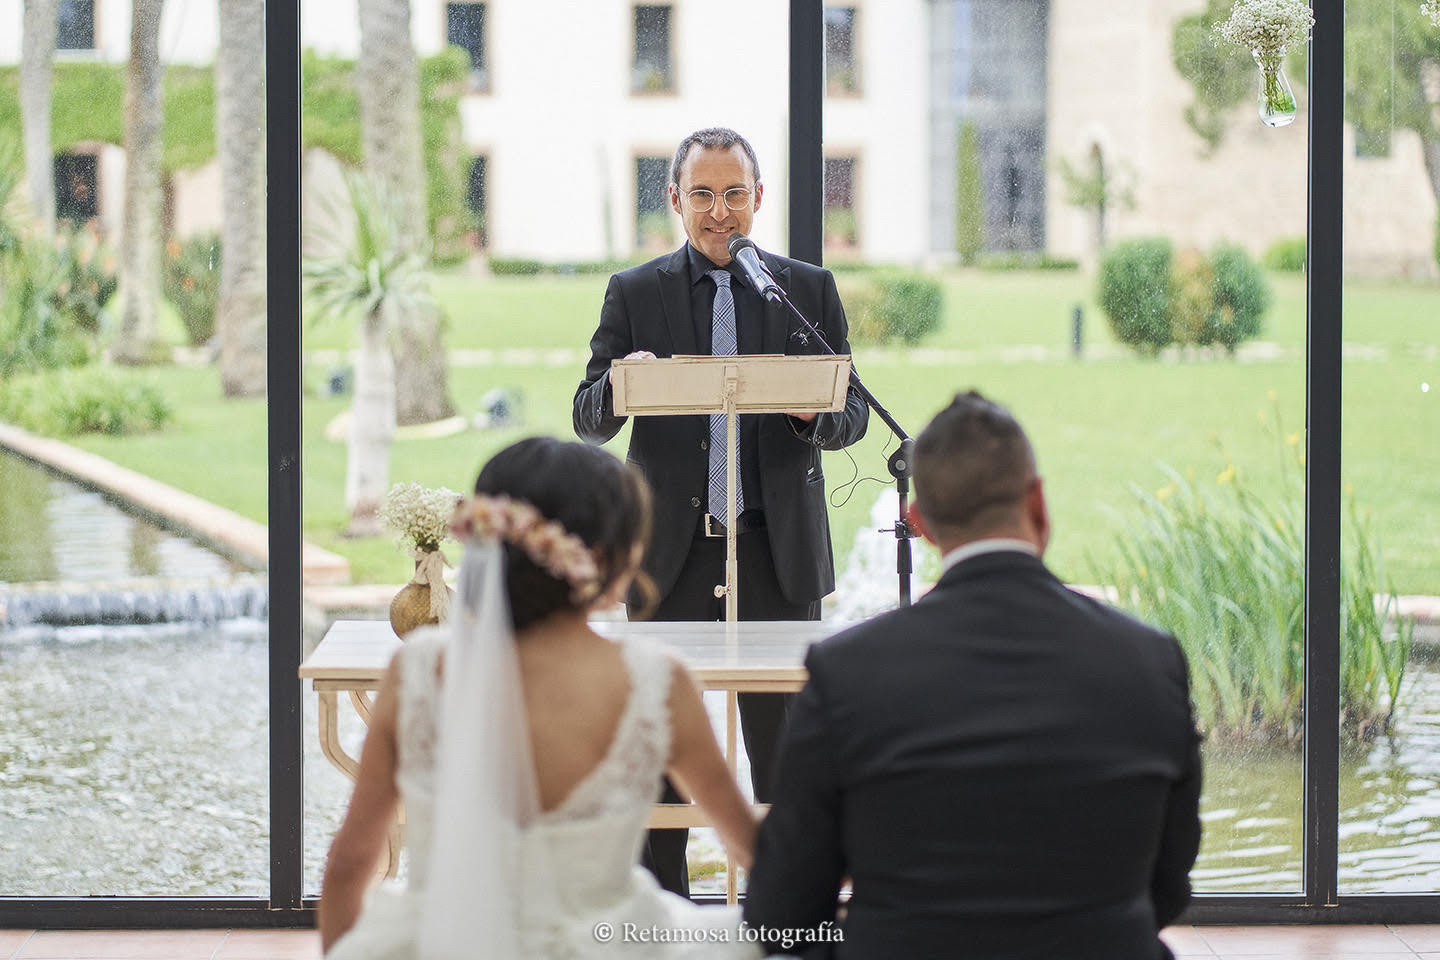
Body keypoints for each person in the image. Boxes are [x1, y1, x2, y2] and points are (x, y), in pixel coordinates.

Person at [744, 391, 1203, 959]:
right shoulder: (1150, 660)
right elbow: (1167, 890)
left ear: (919, 524)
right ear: (1037, 505)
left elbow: (781, 913)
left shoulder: (845, 673)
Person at [319, 437, 763, 959]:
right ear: (606, 559)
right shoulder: (656, 682)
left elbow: (352, 862)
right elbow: (748, 844)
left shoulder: (418, 671)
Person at [573, 127, 869, 897]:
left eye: (734, 193)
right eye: (701, 194)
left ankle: (787, 920)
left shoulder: (805, 290)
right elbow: (588, 417)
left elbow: (852, 415)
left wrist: (812, 415)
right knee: (664, 758)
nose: (719, 212)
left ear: (758, 198)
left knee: (787, 764)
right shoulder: (634, 293)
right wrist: (622, 385)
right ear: (674, 200)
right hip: (668, 559)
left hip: (780, 556)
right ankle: (659, 923)